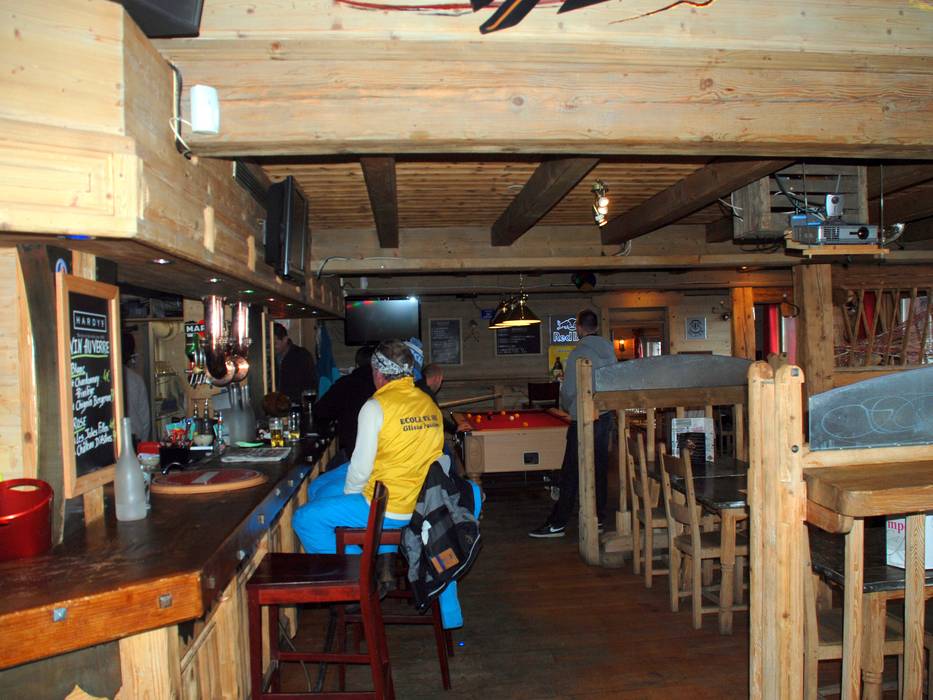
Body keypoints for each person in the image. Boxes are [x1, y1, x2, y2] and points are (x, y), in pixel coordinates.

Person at [292, 339, 444, 554]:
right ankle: (376, 555)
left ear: (378, 374)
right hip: (421, 497)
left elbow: (361, 469)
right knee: (318, 487)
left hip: (391, 506)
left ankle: (357, 568)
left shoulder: (375, 406)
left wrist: (349, 498)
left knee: (304, 518)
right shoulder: (429, 403)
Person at [529, 309, 617, 538]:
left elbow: (568, 392)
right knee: (599, 470)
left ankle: (558, 523)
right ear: (596, 327)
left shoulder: (578, 353)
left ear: (578, 328)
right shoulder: (610, 351)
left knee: (570, 471)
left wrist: (570, 408)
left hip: (584, 419)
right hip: (605, 416)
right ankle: (598, 518)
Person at [312, 345, 377, 464]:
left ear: (356, 365)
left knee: (328, 469)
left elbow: (320, 411)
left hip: (353, 453)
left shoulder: (345, 383)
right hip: (382, 453)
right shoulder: (385, 386)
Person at [273, 322, 318, 406]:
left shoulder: (301, 355)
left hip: (296, 406)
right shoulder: (270, 358)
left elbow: (310, 385)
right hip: (276, 406)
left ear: (285, 339)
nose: (272, 347)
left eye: (275, 343)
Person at [121, 331, 151, 443]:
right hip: (134, 439)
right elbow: (145, 420)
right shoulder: (135, 379)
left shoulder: (105, 378)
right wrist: (142, 445)